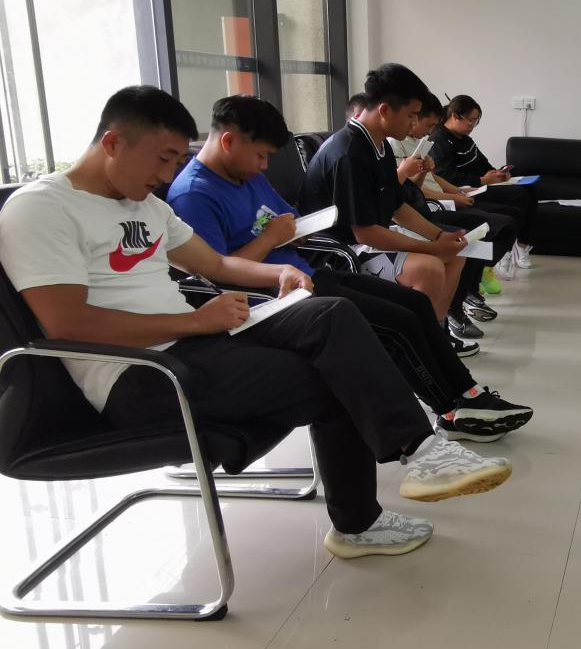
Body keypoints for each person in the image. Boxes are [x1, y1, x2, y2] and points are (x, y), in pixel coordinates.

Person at [0, 86, 514, 560]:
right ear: (114, 142)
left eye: (176, 160)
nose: (168, 174)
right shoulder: (42, 208)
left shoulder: (145, 204)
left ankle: (419, 452)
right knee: (339, 377)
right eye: (163, 159)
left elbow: (216, 264)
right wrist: (197, 322)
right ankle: (365, 516)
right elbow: (67, 324)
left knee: (333, 314)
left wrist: (279, 272)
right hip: (143, 377)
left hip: (193, 339)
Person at [166, 94, 533, 442]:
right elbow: (217, 273)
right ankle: (452, 410)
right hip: (274, 297)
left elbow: (288, 217)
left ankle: (466, 391)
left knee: (415, 305)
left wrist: (292, 231)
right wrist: (272, 237)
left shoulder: (246, 175)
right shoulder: (194, 194)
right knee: (396, 324)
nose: (264, 167)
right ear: (229, 141)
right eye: (261, 156)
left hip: (306, 274)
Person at [299, 64, 475, 343]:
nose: (414, 123)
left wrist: (439, 235)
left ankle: (436, 337)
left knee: (455, 254)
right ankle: (417, 345)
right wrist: (432, 248)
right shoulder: (349, 153)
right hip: (339, 251)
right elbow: (365, 233)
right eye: (411, 115)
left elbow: (396, 205)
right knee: (429, 268)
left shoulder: (378, 145)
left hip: (366, 238)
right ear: (384, 111)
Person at [389, 91, 521, 311]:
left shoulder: (420, 142)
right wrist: (452, 196)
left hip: (435, 201)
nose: (430, 131)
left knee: (500, 221)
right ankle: (462, 299)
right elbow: (407, 193)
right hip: (430, 206)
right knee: (473, 234)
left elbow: (429, 181)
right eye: (428, 124)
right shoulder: (396, 145)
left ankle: (469, 290)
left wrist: (459, 191)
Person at [431, 95, 536, 273]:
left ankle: (522, 245)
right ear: (455, 116)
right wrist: (483, 180)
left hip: (481, 184)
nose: (473, 126)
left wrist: (498, 173)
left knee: (529, 188)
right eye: (471, 120)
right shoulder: (438, 141)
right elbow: (446, 177)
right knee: (518, 196)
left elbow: (483, 164)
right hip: (465, 190)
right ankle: (506, 252)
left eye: (476, 121)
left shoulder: (465, 139)